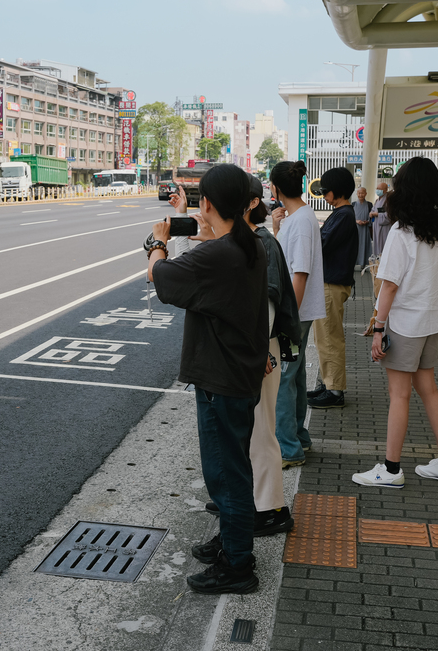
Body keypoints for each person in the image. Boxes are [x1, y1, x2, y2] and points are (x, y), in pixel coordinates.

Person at [148, 164, 269, 594]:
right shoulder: (249, 243)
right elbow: (211, 251)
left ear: (210, 203)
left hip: (221, 379)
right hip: (239, 373)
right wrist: (198, 223)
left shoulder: (221, 253)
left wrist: (158, 243)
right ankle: (231, 543)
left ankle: (237, 565)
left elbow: (162, 279)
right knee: (232, 467)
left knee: (225, 475)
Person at [172, 182, 302, 537]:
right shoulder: (238, 242)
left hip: (259, 351)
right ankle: (244, 500)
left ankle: (272, 508)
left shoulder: (261, 244)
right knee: (241, 436)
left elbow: (269, 303)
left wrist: (258, 349)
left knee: (260, 432)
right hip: (250, 350)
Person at [352, 156, 438, 488]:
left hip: (406, 323)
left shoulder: (401, 232)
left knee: (399, 395)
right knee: (429, 389)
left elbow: (390, 286)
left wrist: (379, 328)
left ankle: (392, 469)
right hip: (432, 321)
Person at [269, 160, 326, 468]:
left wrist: (286, 318)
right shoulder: (298, 217)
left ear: (276, 189)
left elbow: (299, 274)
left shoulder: (302, 221)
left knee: (282, 378)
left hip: (296, 315)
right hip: (299, 313)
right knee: (296, 373)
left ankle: (288, 448)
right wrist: (278, 229)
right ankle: (299, 437)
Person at [308, 167, 357, 409]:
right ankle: (328, 383)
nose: (324, 195)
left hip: (332, 284)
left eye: (326, 191)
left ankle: (335, 390)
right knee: (324, 337)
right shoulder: (342, 213)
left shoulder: (343, 215)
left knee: (329, 338)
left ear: (336, 191)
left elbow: (321, 244)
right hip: (331, 283)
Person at [371, 182, 392, 258]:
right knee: (376, 245)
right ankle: (377, 263)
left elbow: (390, 215)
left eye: (379, 189)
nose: (377, 190)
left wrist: (377, 214)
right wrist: (371, 213)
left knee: (384, 246)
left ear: (385, 190)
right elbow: (373, 209)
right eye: (377, 188)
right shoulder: (377, 200)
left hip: (384, 227)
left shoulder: (388, 200)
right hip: (376, 225)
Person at [353, 186, 373, 267]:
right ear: (357, 194)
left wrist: (368, 221)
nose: (360, 195)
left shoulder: (369, 205)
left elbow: (373, 218)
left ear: (366, 194)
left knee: (365, 245)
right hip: (356, 229)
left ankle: (364, 263)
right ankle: (354, 263)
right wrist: (356, 221)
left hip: (365, 229)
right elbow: (350, 217)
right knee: (355, 245)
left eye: (362, 193)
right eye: (359, 193)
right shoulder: (353, 204)